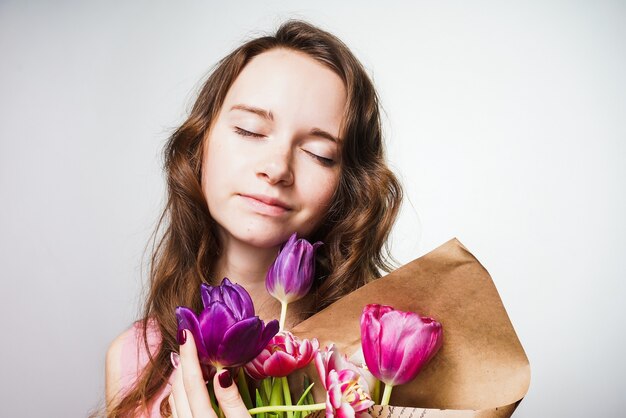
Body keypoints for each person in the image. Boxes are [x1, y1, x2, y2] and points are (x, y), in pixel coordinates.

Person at [104, 19, 402, 418]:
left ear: (347, 186)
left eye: (318, 153)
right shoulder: (133, 357)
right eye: (249, 130)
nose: (277, 167)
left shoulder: (374, 364)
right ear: (200, 143)